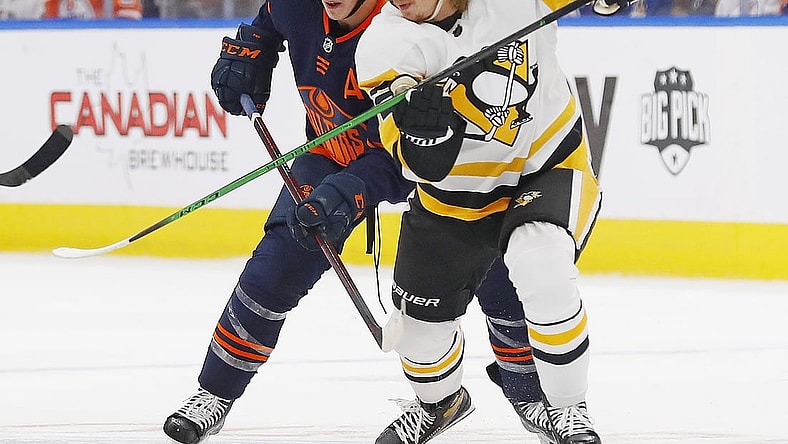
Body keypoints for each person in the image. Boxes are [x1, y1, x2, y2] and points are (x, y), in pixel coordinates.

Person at [161, 1, 548, 443]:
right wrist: (252, 51)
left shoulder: (403, 30)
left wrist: (349, 192)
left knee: (492, 263)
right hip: (331, 154)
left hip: (429, 164)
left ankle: (536, 397)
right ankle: (214, 394)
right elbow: (267, 24)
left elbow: (406, 157)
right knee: (280, 259)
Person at [356, 0, 623, 442]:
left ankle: (569, 409)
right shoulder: (385, 44)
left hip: (545, 164)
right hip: (452, 200)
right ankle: (441, 404)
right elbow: (419, 162)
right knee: (419, 340)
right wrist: (427, 136)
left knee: (542, 262)